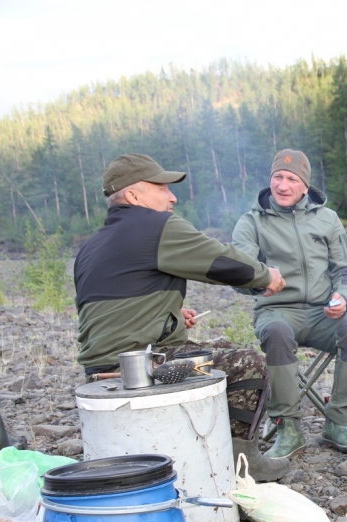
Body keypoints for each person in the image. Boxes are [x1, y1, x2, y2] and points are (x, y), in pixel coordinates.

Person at [74, 153, 290, 482]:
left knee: (220, 346)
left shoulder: (92, 246)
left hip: (99, 371)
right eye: (161, 188)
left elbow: (111, 311)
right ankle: (240, 464)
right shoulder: (154, 226)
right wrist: (265, 275)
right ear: (133, 196)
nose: (172, 197)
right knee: (249, 363)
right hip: (143, 366)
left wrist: (169, 315)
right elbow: (219, 260)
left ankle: (204, 446)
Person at [232, 149, 347, 458]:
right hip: (277, 310)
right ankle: (288, 428)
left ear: (305, 186)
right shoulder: (251, 221)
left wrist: (343, 297)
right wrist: (260, 280)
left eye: (292, 179)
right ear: (270, 180)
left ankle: (338, 423)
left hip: (324, 313)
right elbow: (238, 272)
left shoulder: (327, 218)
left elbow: (346, 269)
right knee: (277, 333)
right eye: (277, 177)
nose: (283, 185)